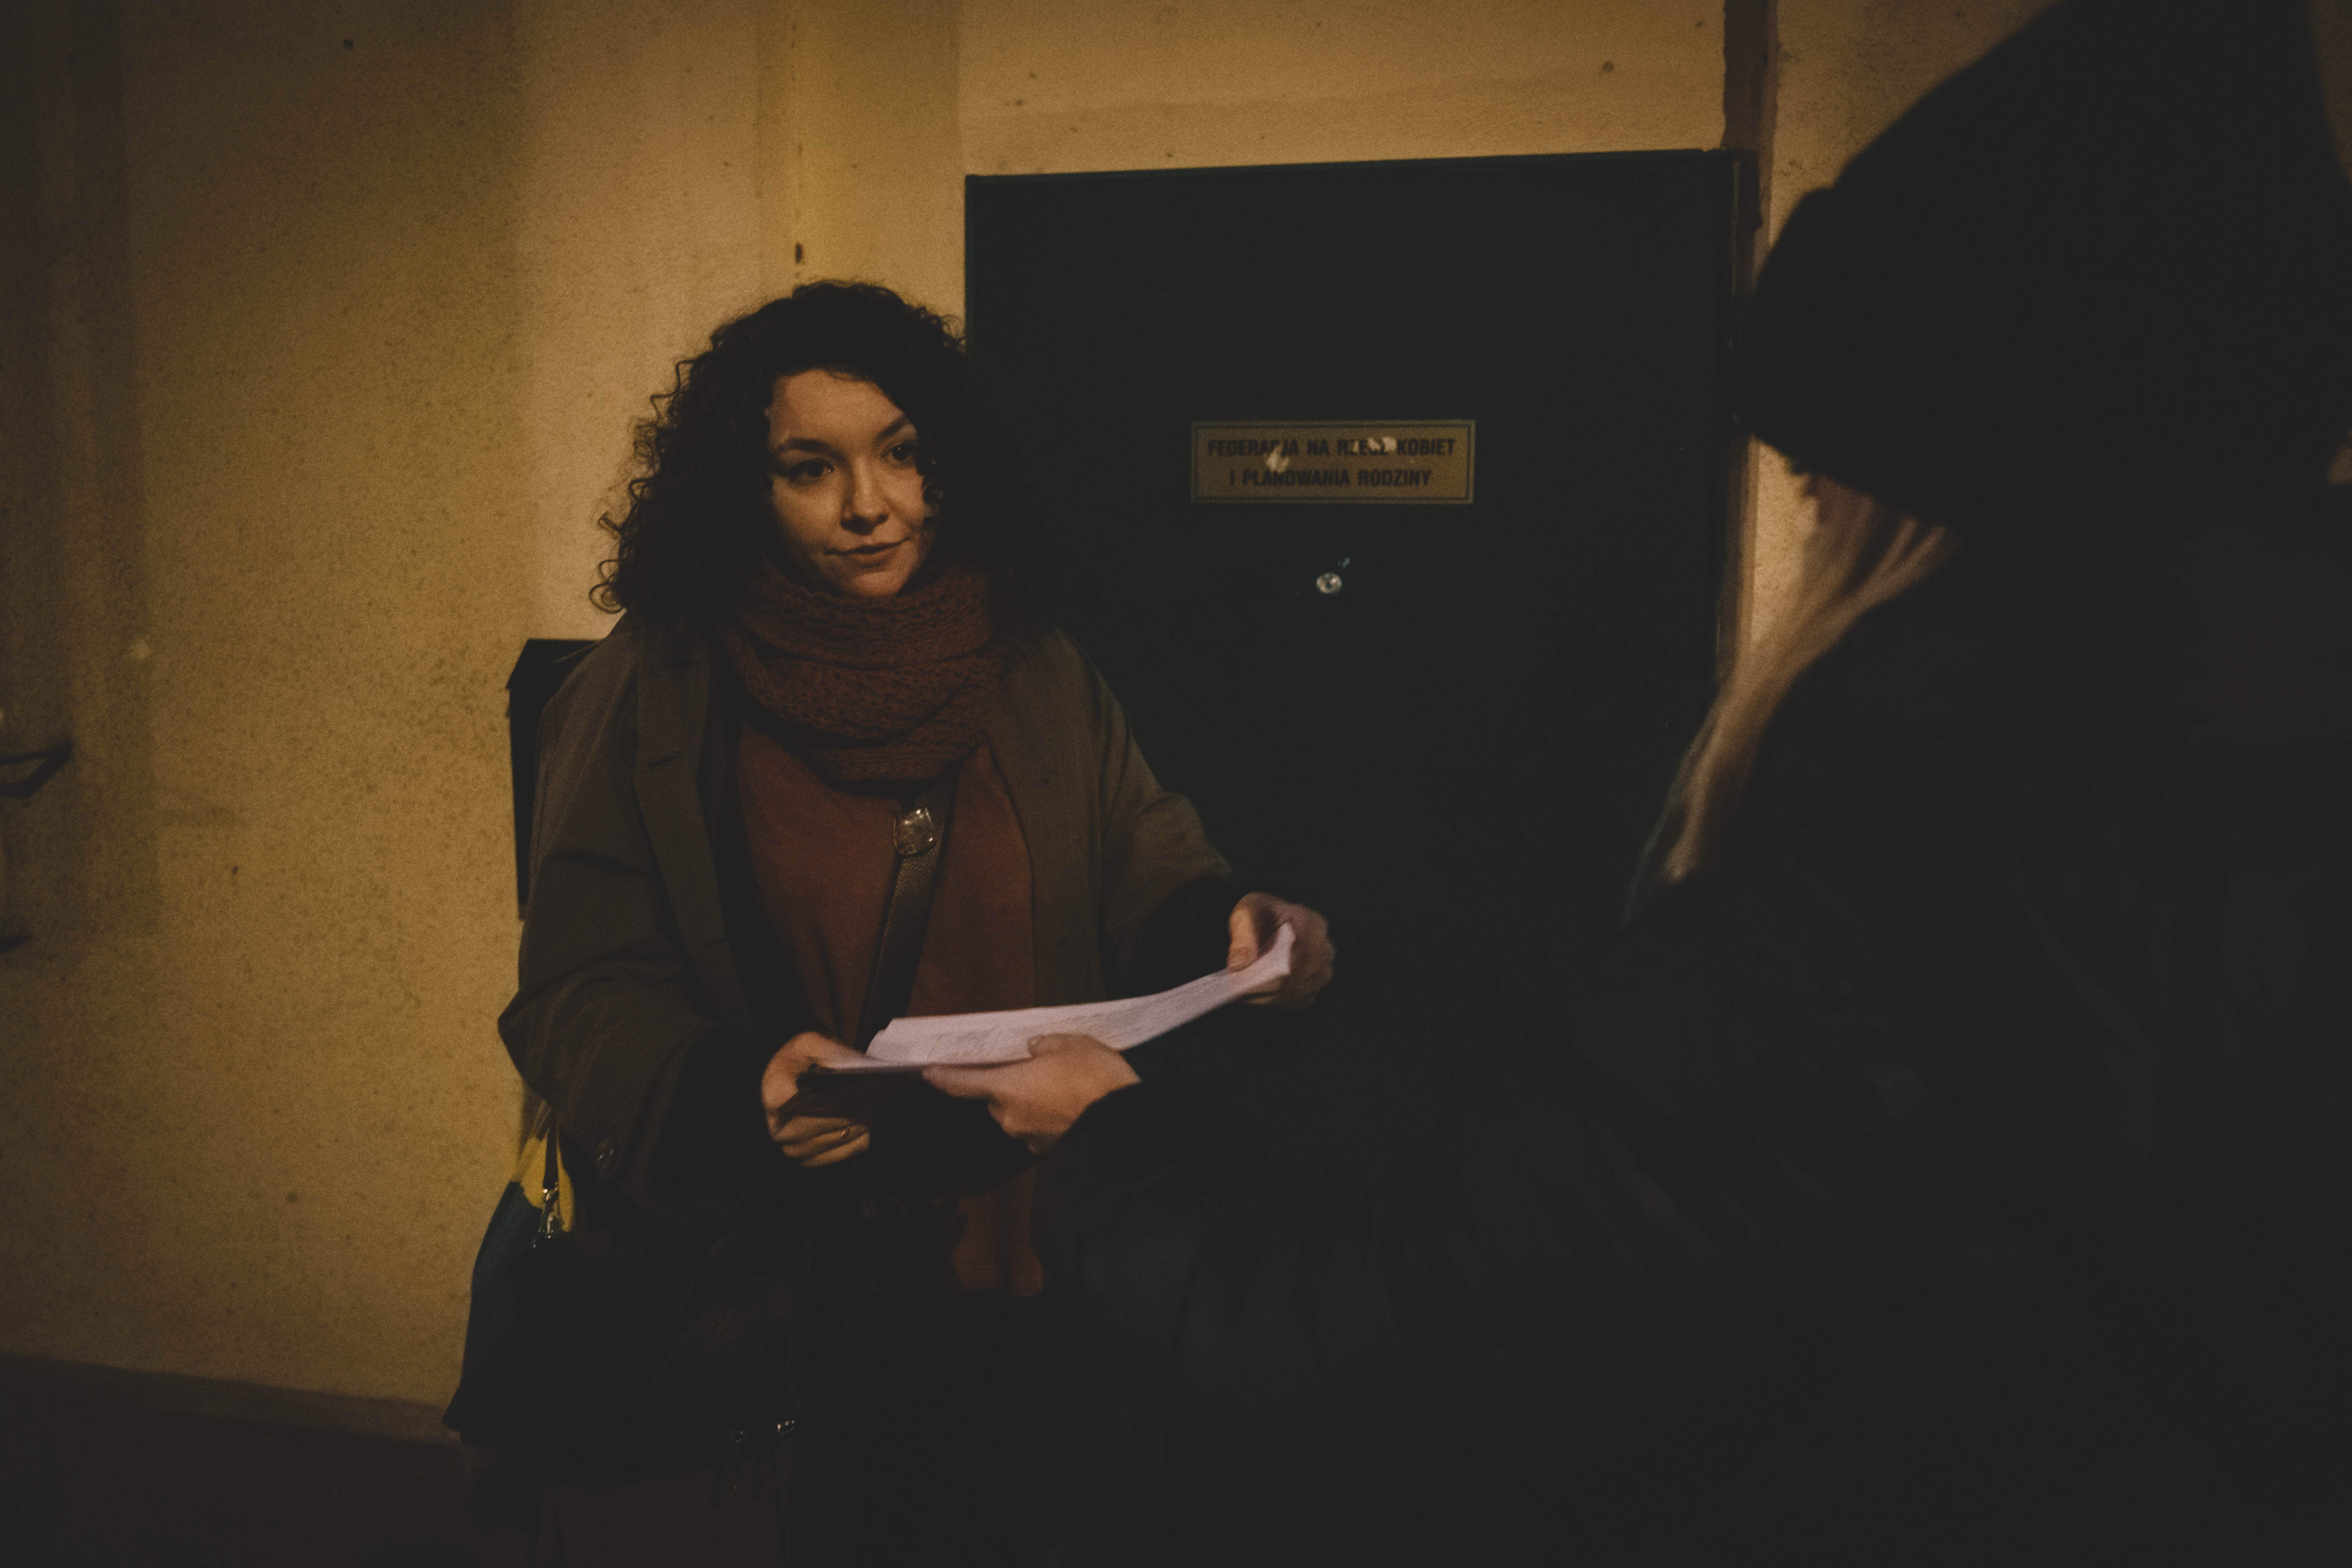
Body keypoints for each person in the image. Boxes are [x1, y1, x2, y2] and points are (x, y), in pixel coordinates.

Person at [929, 1, 2352, 1560]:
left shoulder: (1865, 903)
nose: (1807, 551)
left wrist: (1113, 1130)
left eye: (1820, 499)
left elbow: (1356, 1355)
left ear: (1923, 507)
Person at [453, 281, 1334, 1565]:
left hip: (1036, 1278)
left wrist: (1238, 936)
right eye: (812, 469)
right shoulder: (653, 691)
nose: (871, 506)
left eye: (902, 455)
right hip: (791, 1322)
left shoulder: (1028, 665)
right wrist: (730, 1086)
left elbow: (1151, 874)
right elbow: (576, 992)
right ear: (744, 488)